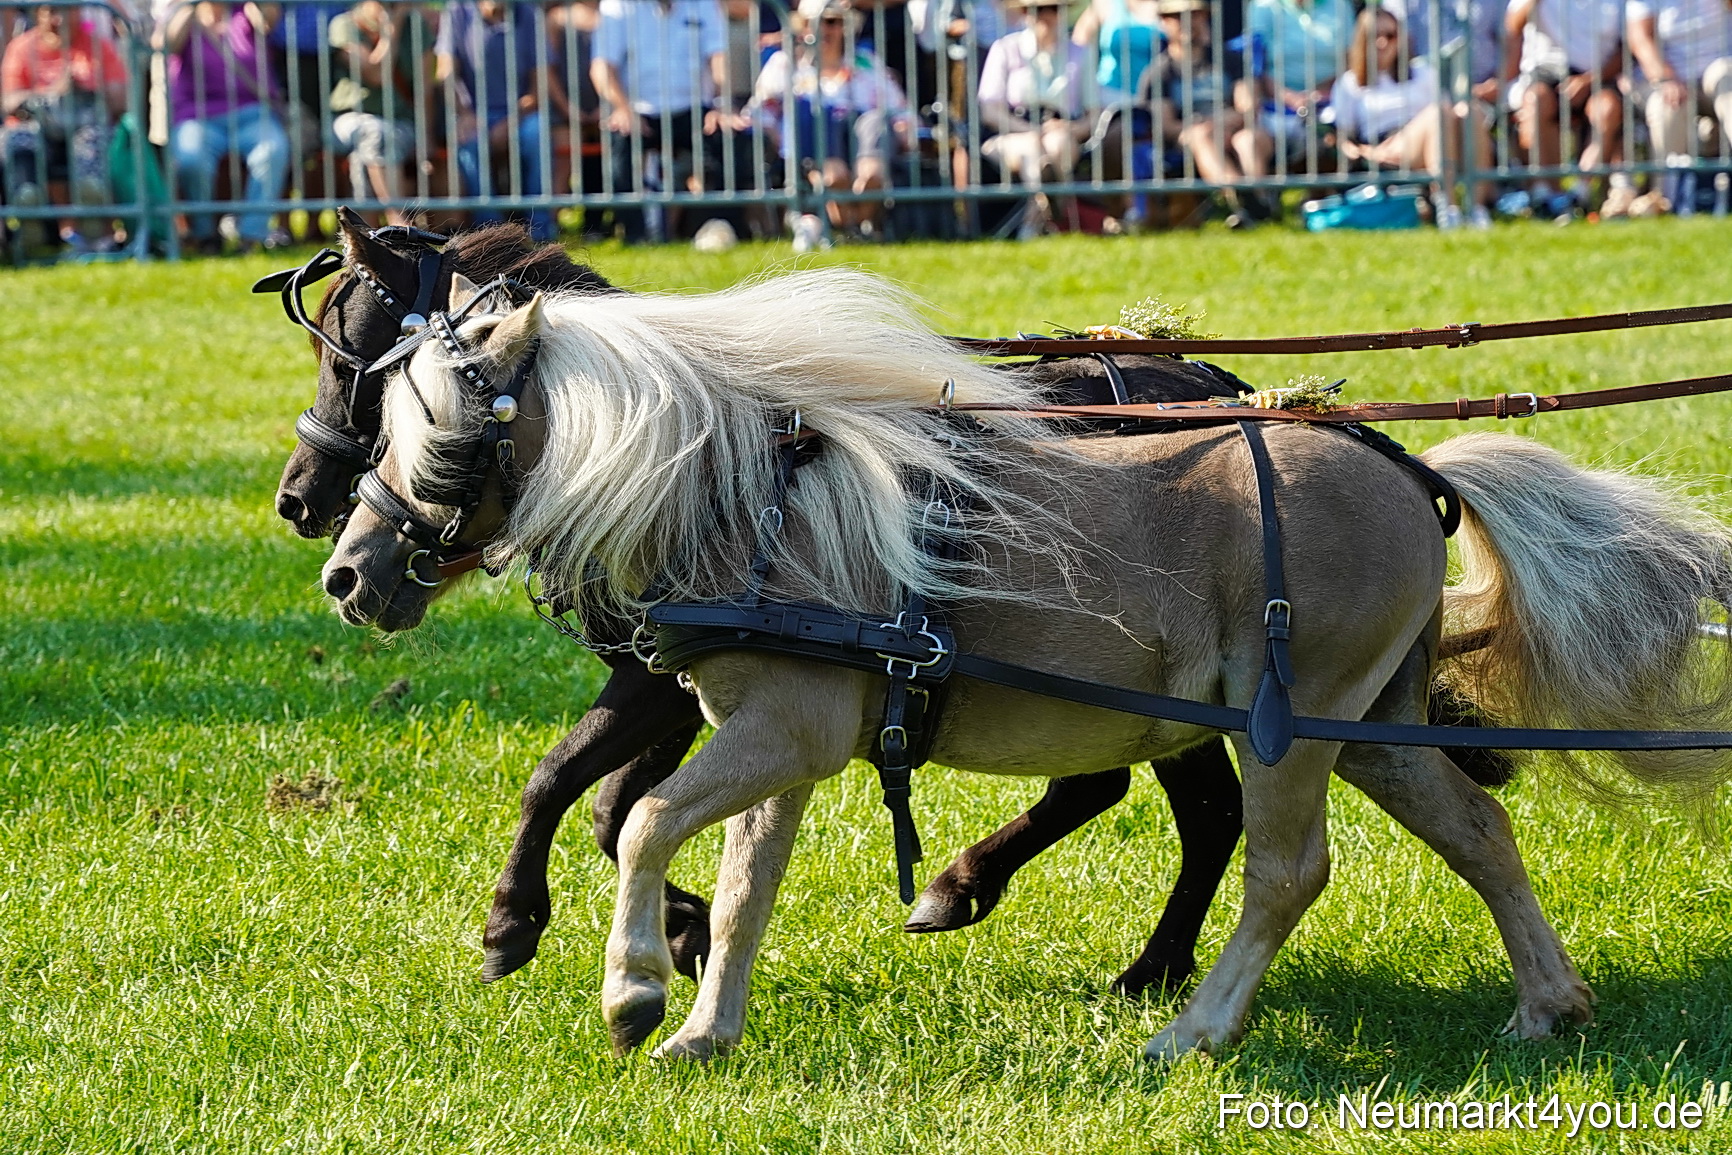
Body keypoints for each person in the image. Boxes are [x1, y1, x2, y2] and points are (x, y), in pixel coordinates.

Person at [590, 0, 754, 243]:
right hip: (637, 111)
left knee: (729, 137)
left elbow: (718, 57)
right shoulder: (617, 5)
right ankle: (636, 236)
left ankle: (721, 229)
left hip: (696, 110)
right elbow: (602, 67)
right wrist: (623, 108)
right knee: (619, 147)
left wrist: (722, 105)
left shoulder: (704, 3)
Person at [751, 0, 911, 236]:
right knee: (817, 117)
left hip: (862, 143)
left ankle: (856, 219)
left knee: (875, 122)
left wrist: (906, 128)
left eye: (832, 22)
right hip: (809, 149)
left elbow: (900, 109)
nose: (824, 30)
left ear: (844, 27)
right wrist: (775, 136)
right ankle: (853, 226)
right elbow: (760, 111)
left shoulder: (867, 63)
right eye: (815, 23)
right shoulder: (785, 65)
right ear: (804, 27)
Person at [1332, 5, 1494, 227]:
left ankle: (1476, 209)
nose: (1383, 43)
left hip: (1434, 135)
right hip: (1384, 147)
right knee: (1438, 113)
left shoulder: (1424, 74)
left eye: (1390, 36)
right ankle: (1449, 208)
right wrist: (1360, 151)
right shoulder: (1350, 84)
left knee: (1469, 111)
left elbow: (1449, 115)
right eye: (1374, 36)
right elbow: (1342, 135)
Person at [159, 1, 292, 253]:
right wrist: (189, 7)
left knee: (272, 151)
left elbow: (267, 20)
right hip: (196, 116)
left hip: (252, 113)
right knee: (191, 158)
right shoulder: (183, 13)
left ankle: (251, 236)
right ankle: (205, 234)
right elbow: (166, 45)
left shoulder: (245, 12)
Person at [1, 3, 128, 254]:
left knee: (93, 140)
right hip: (37, 131)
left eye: (67, 10)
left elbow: (121, 99)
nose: (59, 19)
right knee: (17, 138)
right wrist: (50, 94)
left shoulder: (97, 46)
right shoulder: (22, 47)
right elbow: (8, 101)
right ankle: (29, 212)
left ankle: (92, 219)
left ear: (79, 13)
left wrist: (86, 86)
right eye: (52, 11)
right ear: (39, 14)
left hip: (85, 129)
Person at [436, 0, 567, 241]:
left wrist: (508, 123)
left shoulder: (528, 14)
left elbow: (539, 87)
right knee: (467, 142)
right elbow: (445, 74)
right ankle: (490, 234)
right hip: (473, 115)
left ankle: (541, 230)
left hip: (521, 114)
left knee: (537, 132)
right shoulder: (457, 12)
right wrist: (464, 115)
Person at [1142, 0, 1275, 227]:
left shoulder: (1230, 59)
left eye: (1194, 14)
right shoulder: (1158, 73)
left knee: (1248, 139)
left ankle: (1256, 202)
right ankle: (1241, 200)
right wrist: (1205, 129)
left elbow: (1249, 106)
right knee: (1201, 136)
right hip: (1189, 137)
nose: (1187, 22)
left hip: (1236, 129)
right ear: (1163, 22)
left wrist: (1217, 125)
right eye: (1177, 16)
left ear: (1205, 17)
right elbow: (1166, 126)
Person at [1496, 0, 1631, 215]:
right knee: (1535, 101)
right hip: (1546, 73)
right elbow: (1512, 26)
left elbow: (1626, 47)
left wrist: (1589, 81)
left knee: (1607, 109)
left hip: (1598, 76)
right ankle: (1550, 196)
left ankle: (1580, 194)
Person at [977, 0, 1095, 237]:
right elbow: (990, 111)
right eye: (1039, 10)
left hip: (1062, 133)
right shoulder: (1005, 48)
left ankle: (1030, 228)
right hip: (1010, 134)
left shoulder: (1081, 53)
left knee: (1057, 144)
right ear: (1025, 14)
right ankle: (1047, 213)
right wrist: (1031, 130)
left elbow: (1094, 116)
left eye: (1054, 9)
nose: (1047, 16)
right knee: (1033, 147)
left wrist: (1069, 128)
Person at [1627, 0, 1732, 213]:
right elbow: (1640, 38)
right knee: (1666, 105)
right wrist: (1665, 79)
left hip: (1718, 69)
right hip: (1669, 77)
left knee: (1728, 78)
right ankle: (1665, 199)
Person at [325, 0, 421, 224]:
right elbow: (376, 75)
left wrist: (427, 138)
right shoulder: (345, 24)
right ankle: (398, 220)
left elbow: (424, 87)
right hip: (348, 121)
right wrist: (391, 30)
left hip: (401, 123)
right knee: (376, 133)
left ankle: (364, 235)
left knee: (364, 156)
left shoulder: (415, 25)